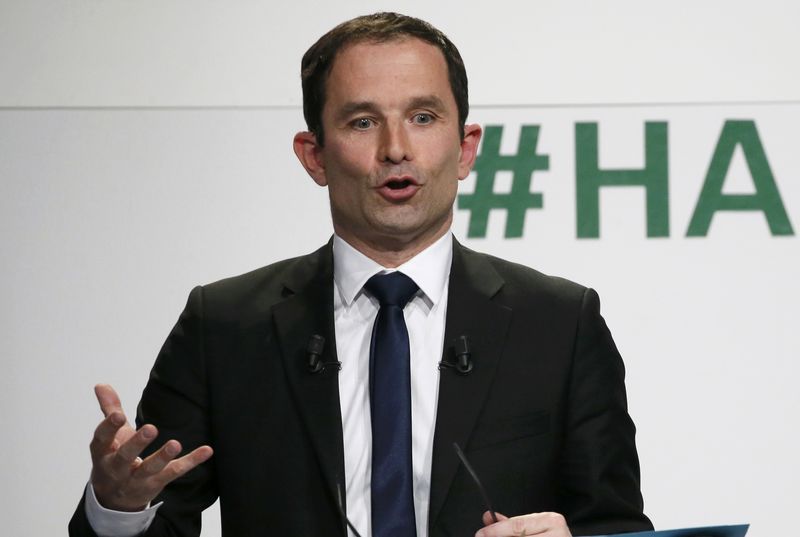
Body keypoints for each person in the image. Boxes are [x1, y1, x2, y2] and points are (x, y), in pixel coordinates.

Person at [69, 12, 653, 537]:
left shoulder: (558, 323)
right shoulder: (222, 326)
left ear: (467, 147)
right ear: (314, 154)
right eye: (362, 122)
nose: (396, 149)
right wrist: (117, 509)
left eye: (423, 117)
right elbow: (162, 517)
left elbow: (618, 526)